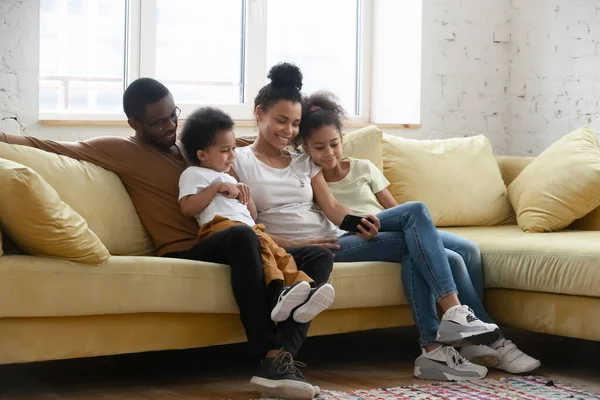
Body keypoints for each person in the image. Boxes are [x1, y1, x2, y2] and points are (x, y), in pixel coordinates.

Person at [0, 78, 330, 400]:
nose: (171, 126)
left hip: (228, 239)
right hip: (187, 249)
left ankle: (283, 358)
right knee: (241, 236)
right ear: (135, 123)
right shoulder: (120, 150)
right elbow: (44, 145)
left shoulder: (196, 148)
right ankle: (268, 353)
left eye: (174, 115)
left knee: (319, 257)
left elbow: (260, 144)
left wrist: (326, 156)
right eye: (159, 122)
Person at [231, 62, 505, 382]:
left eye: (294, 124)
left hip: (335, 235)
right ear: (259, 112)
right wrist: (296, 244)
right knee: (416, 220)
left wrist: (359, 224)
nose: (288, 131)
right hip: (309, 250)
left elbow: (333, 208)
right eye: (281, 121)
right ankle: (445, 330)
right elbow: (249, 228)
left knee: (413, 231)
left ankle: (435, 346)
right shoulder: (238, 160)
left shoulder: (303, 160)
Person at [296, 90, 542, 377]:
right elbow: (334, 209)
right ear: (306, 148)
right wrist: (359, 222)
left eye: (334, 144)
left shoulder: (363, 167)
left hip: (383, 224)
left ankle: (468, 340)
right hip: (353, 233)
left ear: (342, 139)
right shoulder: (310, 174)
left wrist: (404, 226)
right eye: (319, 148)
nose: (328, 153)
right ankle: (489, 337)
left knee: (467, 252)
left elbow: (395, 210)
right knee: (429, 232)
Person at [178, 106, 335, 324]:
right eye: (225, 150)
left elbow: (250, 215)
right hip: (220, 229)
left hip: (249, 229)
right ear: (202, 155)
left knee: (279, 254)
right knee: (264, 251)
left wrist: (246, 196)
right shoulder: (194, 174)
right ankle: (279, 293)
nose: (232, 155)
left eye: (233, 148)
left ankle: (304, 291)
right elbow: (187, 207)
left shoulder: (230, 178)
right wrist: (215, 188)